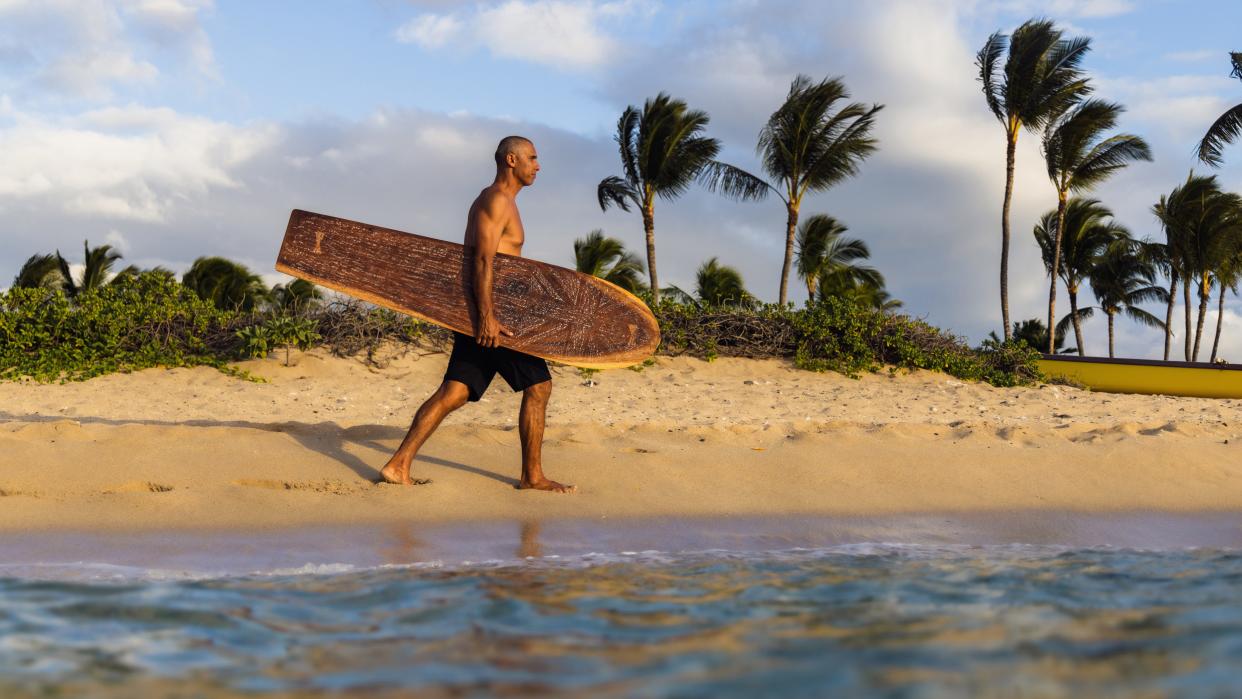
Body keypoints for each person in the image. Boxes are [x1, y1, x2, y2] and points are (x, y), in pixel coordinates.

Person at [378, 136, 575, 493]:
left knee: (454, 391)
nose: (538, 165)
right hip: (493, 317)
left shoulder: (503, 202)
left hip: (486, 313)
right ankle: (532, 476)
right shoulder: (496, 200)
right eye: (532, 158)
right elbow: (483, 260)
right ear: (511, 160)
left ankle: (398, 464)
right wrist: (487, 317)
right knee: (539, 385)